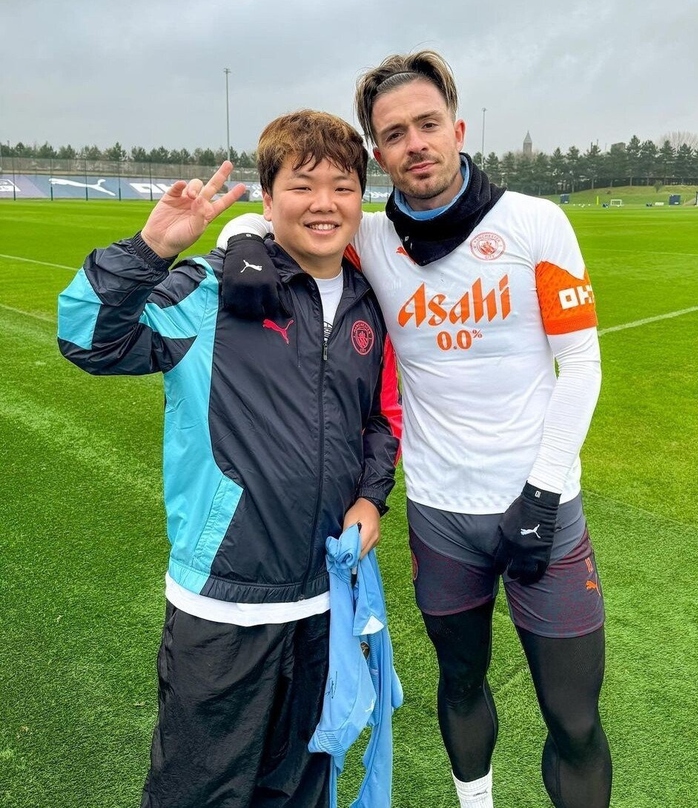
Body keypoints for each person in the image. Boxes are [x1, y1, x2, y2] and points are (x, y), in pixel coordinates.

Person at [219, 52, 611, 808]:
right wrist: (240, 239)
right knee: (459, 685)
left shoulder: (536, 223)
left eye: (428, 124)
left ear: (457, 130)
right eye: (394, 134)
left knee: (574, 717)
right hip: (440, 517)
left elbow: (582, 364)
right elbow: (283, 212)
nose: (415, 143)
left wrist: (541, 493)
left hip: (544, 511)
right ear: (378, 152)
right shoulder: (371, 239)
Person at [57, 110, 401, 808]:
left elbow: (373, 421)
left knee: (299, 788)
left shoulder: (367, 305)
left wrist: (371, 497)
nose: (324, 203)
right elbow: (88, 339)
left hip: (322, 603)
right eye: (302, 185)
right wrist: (151, 249)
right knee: (198, 794)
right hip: (224, 605)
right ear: (268, 199)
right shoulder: (211, 290)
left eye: (342, 186)